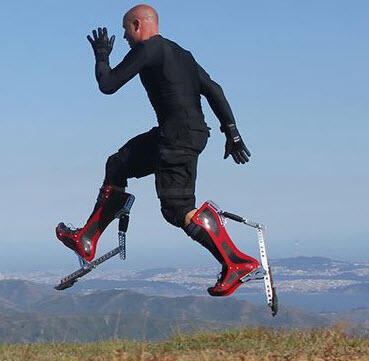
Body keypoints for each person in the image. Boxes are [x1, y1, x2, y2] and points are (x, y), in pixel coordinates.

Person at [56, 4, 259, 296]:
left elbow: (108, 84)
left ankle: (237, 262)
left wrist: (101, 57)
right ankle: (87, 239)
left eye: (126, 31)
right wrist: (232, 132)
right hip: (179, 135)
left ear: (138, 25)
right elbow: (214, 89)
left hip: (176, 140)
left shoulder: (148, 49)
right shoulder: (181, 54)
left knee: (178, 210)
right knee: (118, 164)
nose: (125, 38)